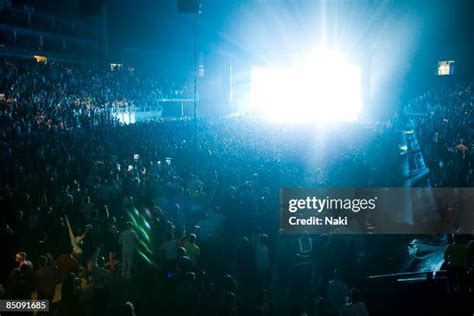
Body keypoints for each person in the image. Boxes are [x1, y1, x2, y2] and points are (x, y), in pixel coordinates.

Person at [90, 246, 112, 316]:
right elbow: (108, 282)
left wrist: (97, 249)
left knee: (95, 305)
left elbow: (93, 260)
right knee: (102, 306)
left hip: (95, 289)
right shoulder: (105, 272)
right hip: (102, 290)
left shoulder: (94, 268)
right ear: (103, 262)